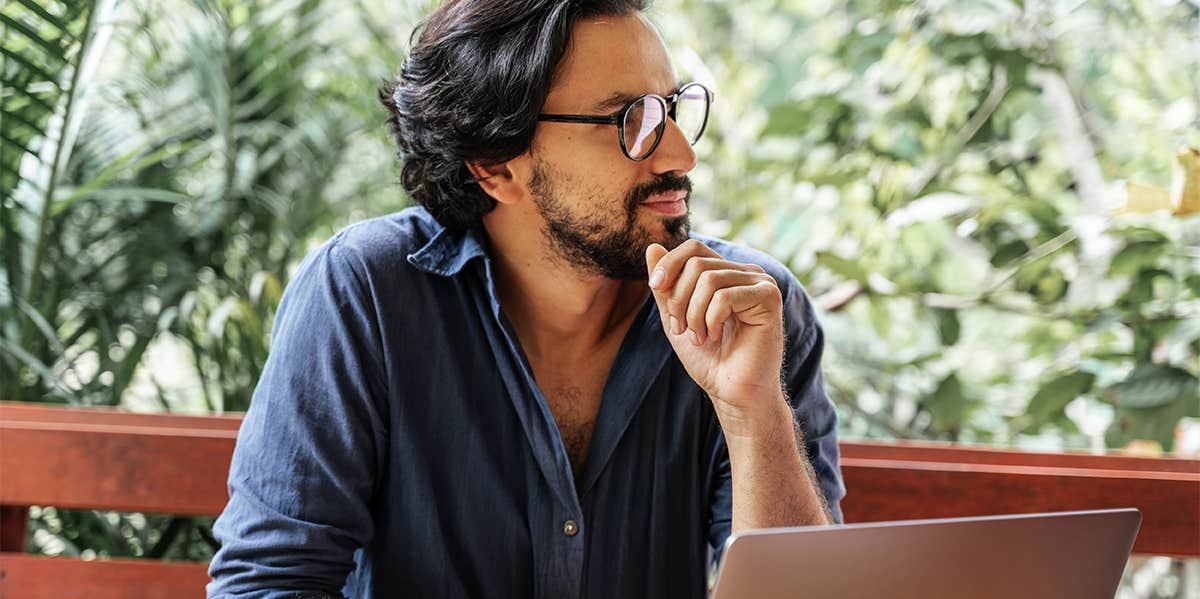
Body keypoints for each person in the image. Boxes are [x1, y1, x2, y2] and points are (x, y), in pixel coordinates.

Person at [206, 0, 844, 596]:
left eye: (672, 108)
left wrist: (754, 411)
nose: (679, 151)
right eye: (631, 120)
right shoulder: (365, 295)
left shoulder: (749, 310)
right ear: (494, 163)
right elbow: (268, 582)